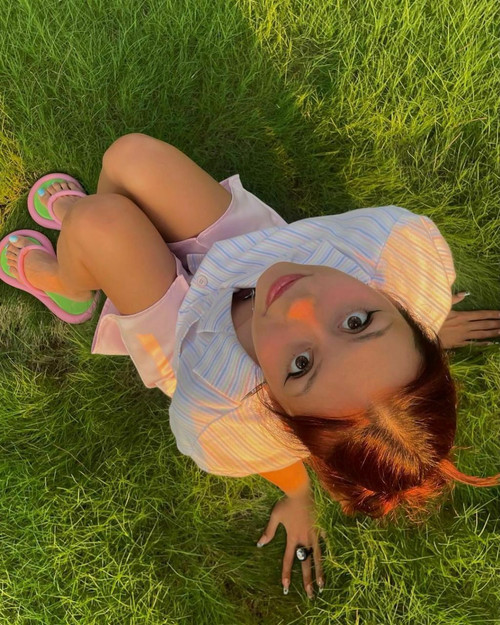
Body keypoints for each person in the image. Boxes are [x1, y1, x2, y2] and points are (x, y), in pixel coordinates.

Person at [1, 133, 499, 600]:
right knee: (130, 157)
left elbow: (271, 453)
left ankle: (70, 281)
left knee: (97, 223)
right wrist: (432, 323)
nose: (298, 306)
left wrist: (299, 494)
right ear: (408, 317)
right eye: (357, 322)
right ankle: (91, 240)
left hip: (186, 335)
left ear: (277, 412)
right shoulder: (405, 256)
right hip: (253, 253)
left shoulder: (223, 415)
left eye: (301, 365)